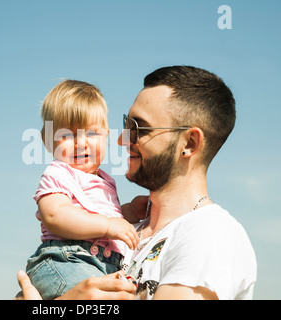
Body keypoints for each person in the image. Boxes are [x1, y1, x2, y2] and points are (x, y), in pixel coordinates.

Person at [17, 66, 257, 300]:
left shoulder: (209, 234)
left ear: (190, 144)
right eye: (126, 125)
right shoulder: (129, 233)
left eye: (139, 128)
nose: (122, 139)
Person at [24, 79, 147, 300]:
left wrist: (128, 213)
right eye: (68, 135)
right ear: (47, 140)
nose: (81, 143)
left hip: (103, 263)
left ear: (106, 135)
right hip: (66, 259)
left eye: (91, 133)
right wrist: (109, 226)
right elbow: (55, 215)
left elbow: (103, 213)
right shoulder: (58, 173)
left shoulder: (106, 180)